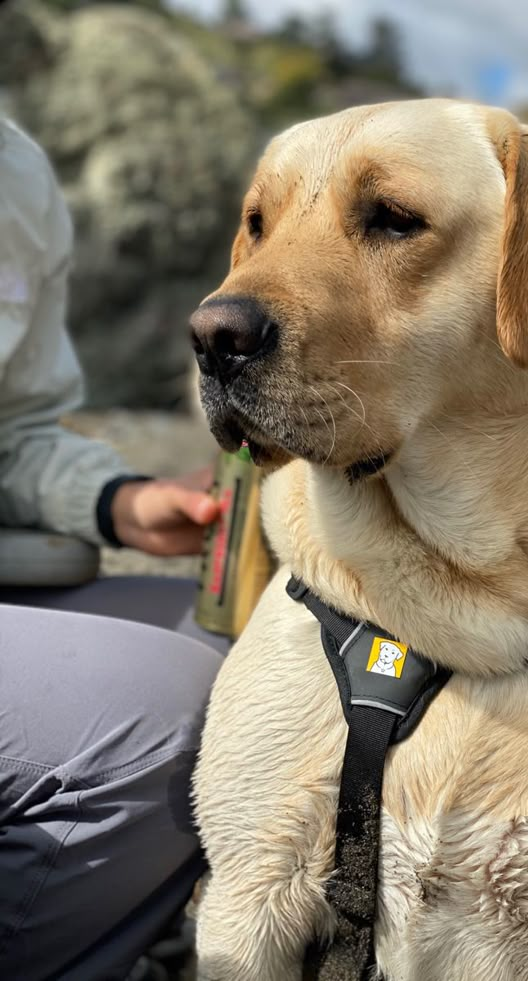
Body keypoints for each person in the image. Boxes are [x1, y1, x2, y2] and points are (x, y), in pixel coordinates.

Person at [0, 117, 225, 979]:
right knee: (160, 712)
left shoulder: (17, 173)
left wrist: (119, 501)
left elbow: (16, 430)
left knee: (247, 650)